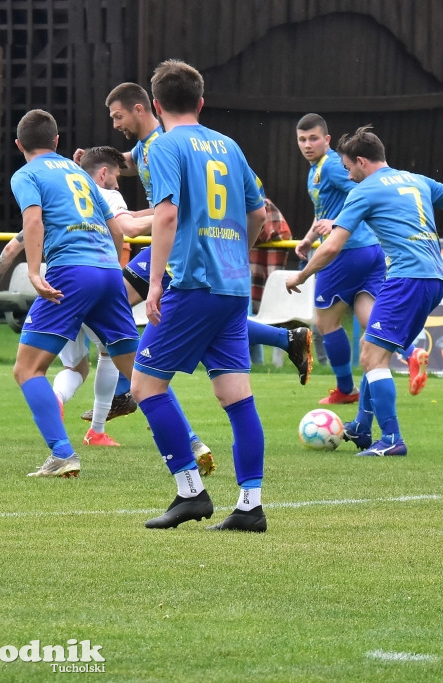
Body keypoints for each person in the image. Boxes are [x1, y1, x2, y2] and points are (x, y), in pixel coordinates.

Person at [286, 125, 443, 456]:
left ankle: (391, 439)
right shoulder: (417, 180)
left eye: (349, 169)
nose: (348, 177)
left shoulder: (363, 192)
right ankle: (363, 427)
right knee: (371, 346)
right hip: (434, 278)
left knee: (372, 356)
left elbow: (332, 246)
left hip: (407, 278)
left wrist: (302, 275)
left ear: (361, 161)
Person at [83, 83, 312, 387]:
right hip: (176, 240)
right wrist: (88, 161)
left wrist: (131, 219)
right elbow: (122, 164)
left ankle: (128, 387)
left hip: (182, 243)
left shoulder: (168, 142)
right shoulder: (146, 146)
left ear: (142, 108)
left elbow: (182, 207)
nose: (115, 125)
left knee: (115, 303)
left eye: (118, 116)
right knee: (206, 322)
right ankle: (288, 339)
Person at [133, 59, 268, 532]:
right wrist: (234, 254)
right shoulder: (230, 146)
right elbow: (260, 216)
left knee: (146, 385)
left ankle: (191, 492)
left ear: (156, 105)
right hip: (232, 287)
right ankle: (251, 506)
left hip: (192, 283)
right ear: (202, 102)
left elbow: (165, 217)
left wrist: (154, 284)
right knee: (236, 395)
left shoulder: (164, 146)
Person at [0, 146, 144, 447]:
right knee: (111, 356)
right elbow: (123, 228)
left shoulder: (53, 195)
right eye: (116, 177)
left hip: (63, 289)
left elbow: (15, 244)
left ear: (20, 145)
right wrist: (171, 212)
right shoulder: (105, 195)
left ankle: (56, 403)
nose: (117, 183)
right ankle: (99, 430)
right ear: (103, 173)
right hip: (98, 281)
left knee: (71, 367)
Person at [1, 109, 138, 477]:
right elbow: (115, 227)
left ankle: (62, 453)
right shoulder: (78, 171)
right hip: (109, 270)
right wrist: (110, 267)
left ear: (19, 145)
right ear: (57, 141)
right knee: (138, 374)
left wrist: (32, 270)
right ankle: (189, 443)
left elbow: (33, 220)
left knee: (28, 369)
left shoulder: (27, 174)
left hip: (71, 273)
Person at [294, 114, 429, 405]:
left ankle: (345, 389)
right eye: (302, 139)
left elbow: (362, 190)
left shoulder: (331, 165)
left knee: (326, 322)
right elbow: (325, 210)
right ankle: (412, 354)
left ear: (327, 140)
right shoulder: (318, 168)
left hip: (347, 251)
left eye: (313, 138)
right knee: (368, 314)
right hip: (371, 250)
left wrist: (335, 226)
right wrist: (308, 239)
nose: (307, 144)